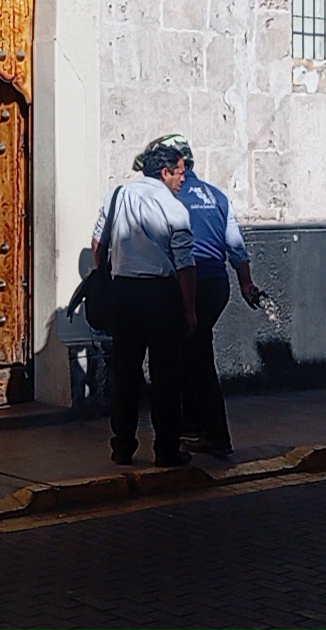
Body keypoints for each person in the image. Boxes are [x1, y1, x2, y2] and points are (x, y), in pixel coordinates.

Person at [150, 134, 263, 457]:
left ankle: (214, 433)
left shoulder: (169, 195)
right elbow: (236, 245)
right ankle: (193, 426)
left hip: (187, 282)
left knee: (194, 359)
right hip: (217, 283)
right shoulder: (216, 196)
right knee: (191, 353)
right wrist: (246, 284)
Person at [92, 141, 199, 468]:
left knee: (125, 372)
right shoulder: (174, 207)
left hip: (124, 291)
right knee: (166, 374)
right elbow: (184, 264)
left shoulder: (118, 194)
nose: (185, 179)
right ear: (165, 172)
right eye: (181, 172)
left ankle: (122, 446)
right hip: (159, 292)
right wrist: (190, 310)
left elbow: (98, 244)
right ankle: (166, 449)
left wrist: (105, 275)